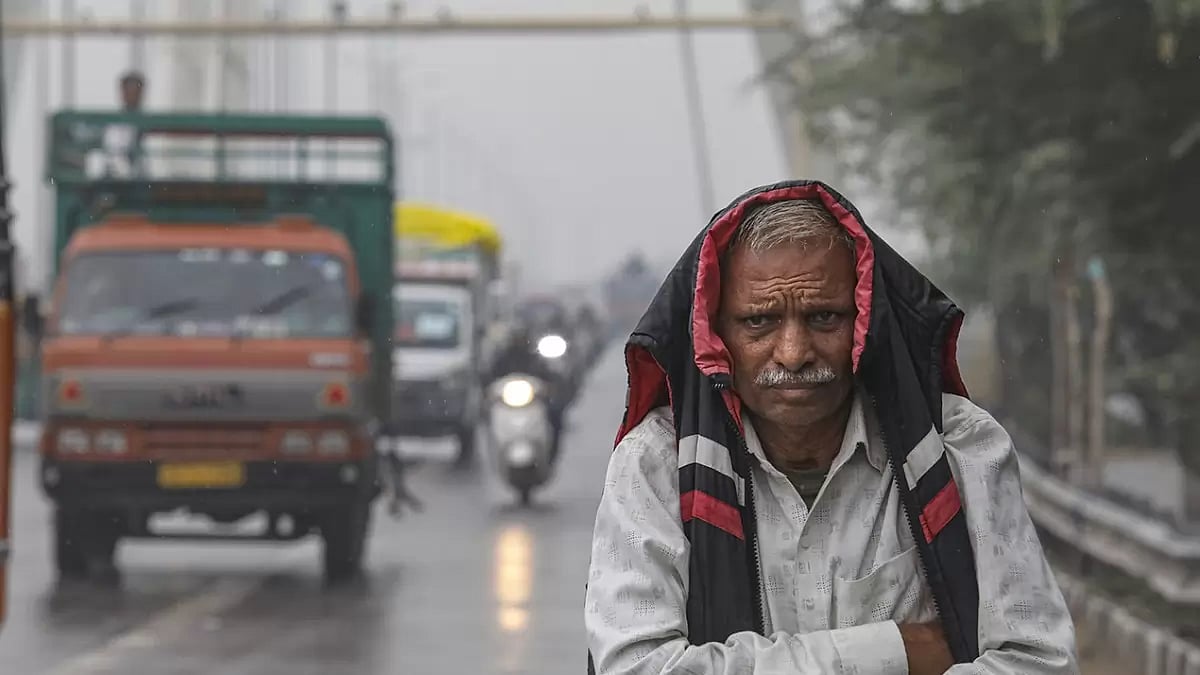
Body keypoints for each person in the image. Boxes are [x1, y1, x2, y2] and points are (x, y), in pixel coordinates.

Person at [584, 181, 1077, 674]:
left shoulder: (956, 447)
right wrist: (896, 652)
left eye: (824, 317)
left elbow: (1039, 661)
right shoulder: (657, 463)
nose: (795, 353)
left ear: (864, 323)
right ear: (717, 338)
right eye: (759, 322)